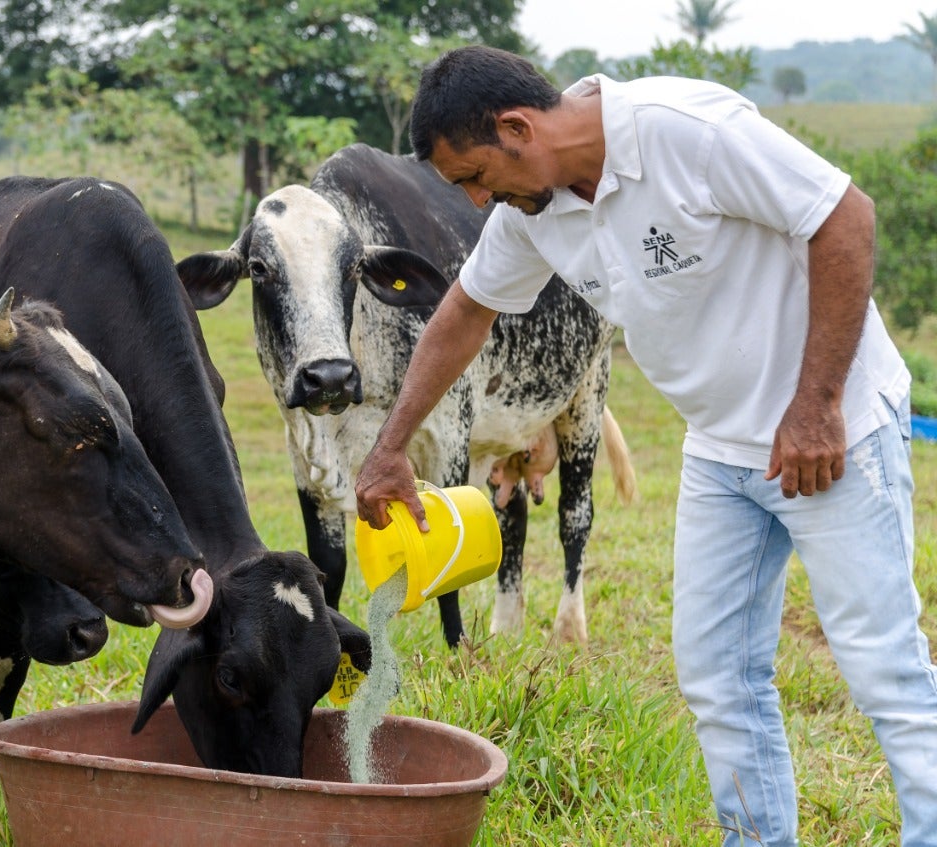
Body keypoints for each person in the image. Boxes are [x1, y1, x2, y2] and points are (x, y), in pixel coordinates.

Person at [354, 45, 937, 847]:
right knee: (717, 675)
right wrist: (390, 448)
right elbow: (463, 313)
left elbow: (845, 216)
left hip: (830, 432)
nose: (479, 198)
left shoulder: (683, 132)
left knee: (884, 670)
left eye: (475, 176)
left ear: (519, 127)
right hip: (721, 446)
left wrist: (816, 405)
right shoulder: (535, 210)